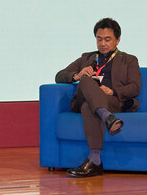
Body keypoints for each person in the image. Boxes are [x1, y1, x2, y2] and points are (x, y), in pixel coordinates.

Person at [54, 18, 141, 178]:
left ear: (118, 39)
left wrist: (113, 91)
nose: (103, 43)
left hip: (111, 100)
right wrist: (77, 75)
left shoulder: (129, 60)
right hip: (86, 97)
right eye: (99, 39)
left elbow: (135, 87)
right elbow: (59, 76)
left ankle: (95, 161)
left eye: (107, 39)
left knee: (89, 106)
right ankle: (107, 117)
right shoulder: (86, 58)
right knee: (86, 79)